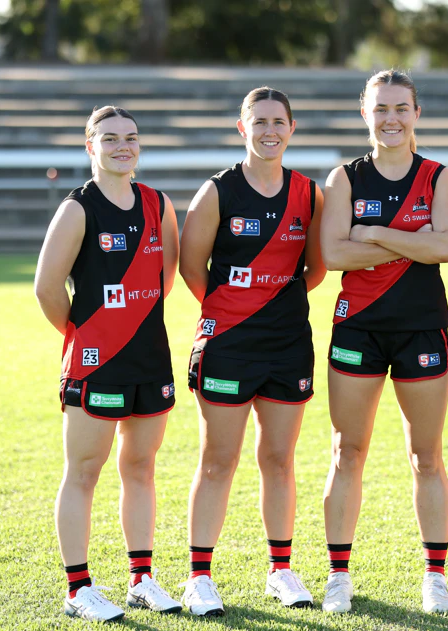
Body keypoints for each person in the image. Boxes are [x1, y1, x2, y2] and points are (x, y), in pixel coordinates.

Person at [178, 87, 326, 616]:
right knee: (218, 460)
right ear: (242, 128)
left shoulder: (309, 194)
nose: (269, 130)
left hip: (288, 344)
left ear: (291, 128)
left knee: (279, 459)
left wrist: (270, 304)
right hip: (228, 344)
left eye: (278, 121)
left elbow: (315, 269)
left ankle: (280, 571)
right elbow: (191, 267)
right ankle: (198, 578)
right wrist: (235, 308)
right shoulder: (218, 192)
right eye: (258, 121)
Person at [319, 69, 448, 614]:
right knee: (347, 451)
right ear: (366, 113)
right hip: (358, 327)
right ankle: (338, 575)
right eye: (380, 108)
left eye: (401, 108)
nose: (391, 119)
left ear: (416, 113)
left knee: (426, 456)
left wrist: (375, 233)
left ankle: (434, 576)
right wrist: (413, 241)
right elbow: (335, 255)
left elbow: (444, 248)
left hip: (421, 327)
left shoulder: (439, 179)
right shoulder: (345, 179)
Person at [34, 105, 182, 622]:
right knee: (84, 472)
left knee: (140, 467)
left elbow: (163, 280)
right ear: (90, 146)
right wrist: (85, 335)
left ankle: (141, 579)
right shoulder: (78, 209)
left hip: (150, 357)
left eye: (131, 137)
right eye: (110, 138)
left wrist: (131, 325)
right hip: (96, 362)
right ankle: (78, 589)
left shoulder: (159, 204)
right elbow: (47, 288)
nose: (123, 146)